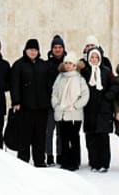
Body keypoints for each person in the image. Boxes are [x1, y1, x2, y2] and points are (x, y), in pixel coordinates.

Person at [10, 39, 50, 167]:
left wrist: (49, 101)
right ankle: (23, 160)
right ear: (26, 50)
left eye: (35, 50)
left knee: (40, 136)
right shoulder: (18, 65)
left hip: (41, 108)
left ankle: (39, 160)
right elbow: (14, 84)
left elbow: (49, 85)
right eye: (30, 49)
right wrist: (16, 101)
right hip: (25, 107)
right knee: (24, 135)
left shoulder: (44, 65)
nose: (33, 52)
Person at [80, 47, 119, 172]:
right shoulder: (85, 71)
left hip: (103, 110)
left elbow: (114, 85)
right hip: (89, 109)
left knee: (103, 138)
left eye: (96, 57)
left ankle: (104, 164)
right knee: (91, 138)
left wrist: (108, 97)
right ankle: (94, 163)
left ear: (100, 58)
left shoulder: (106, 71)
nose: (94, 59)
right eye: (92, 57)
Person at [51, 52, 89, 171]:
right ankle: (65, 161)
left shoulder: (79, 79)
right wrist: (56, 105)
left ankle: (74, 161)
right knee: (64, 138)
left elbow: (85, 95)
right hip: (62, 113)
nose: (68, 65)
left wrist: (76, 106)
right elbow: (55, 93)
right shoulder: (59, 78)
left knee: (74, 138)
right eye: (66, 63)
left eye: (70, 63)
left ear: (74, 65)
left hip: (74, 114)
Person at [46, 35, 66, 166]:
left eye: (60, 47)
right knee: (49, 131)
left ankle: (60, 154)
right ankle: (49, 155)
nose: (57, 49)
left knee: (61, 132)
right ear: (52, 49)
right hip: (49, 104)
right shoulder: (46, 64)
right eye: (55, 47)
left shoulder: (68, 64)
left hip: (64, 104)